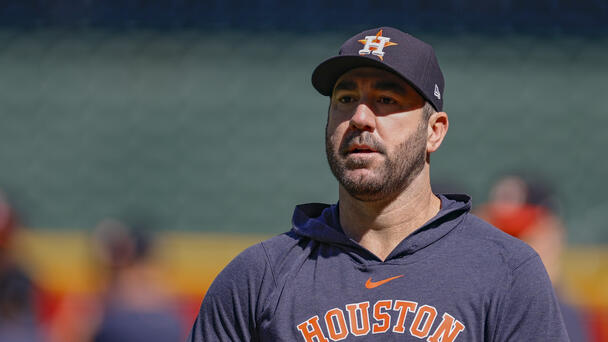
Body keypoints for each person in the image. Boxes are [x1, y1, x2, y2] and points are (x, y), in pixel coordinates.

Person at [187, 27, 568, 341]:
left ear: (434, 132)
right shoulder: (258, 277)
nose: (361, 118)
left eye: (386, 99)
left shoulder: (507, 272)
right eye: (346, 98)